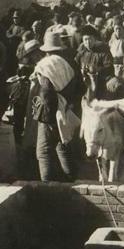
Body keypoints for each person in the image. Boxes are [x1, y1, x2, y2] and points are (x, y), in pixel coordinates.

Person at [31, 32, 79, 182]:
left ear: (46, 50)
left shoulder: (45, 65)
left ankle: (46, 185)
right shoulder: (67, 63)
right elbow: (79, 87)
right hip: (64, 107)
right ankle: (71, 180)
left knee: (43, 151)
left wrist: (47, 118)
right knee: (62, 146)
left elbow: (46, 93)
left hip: (50, 112)